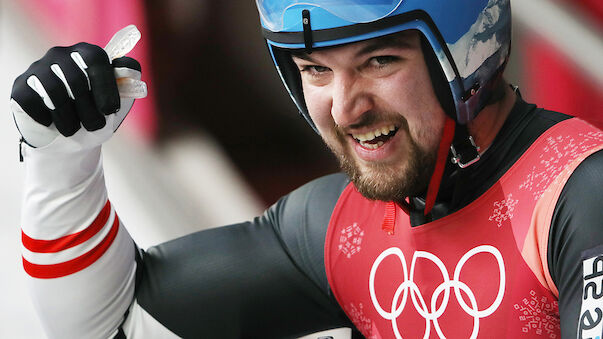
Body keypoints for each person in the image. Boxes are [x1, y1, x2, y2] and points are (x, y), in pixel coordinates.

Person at [10, 0, 603, 338]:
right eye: (315, 69)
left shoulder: (580, 196)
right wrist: (62, 166)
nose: (345, 107)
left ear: (466, 56)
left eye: (377, 60)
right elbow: (107, 329)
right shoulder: (338, 227)